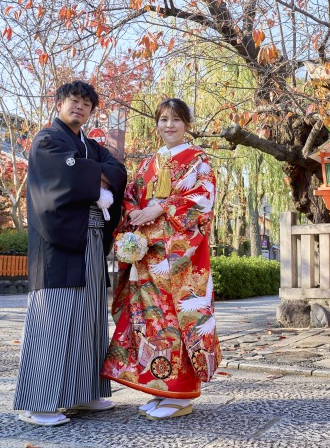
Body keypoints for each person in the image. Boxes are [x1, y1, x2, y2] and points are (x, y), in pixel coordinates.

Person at [13, 80, 127, 426]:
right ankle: (40, 403)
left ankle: (86, 393)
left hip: (90, 240)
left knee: (89, 319)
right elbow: (68, 175)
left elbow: (118, 171)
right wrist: (97, 177)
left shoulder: (90, 146)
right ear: (59, 103)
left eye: (86, 104)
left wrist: (94, 175)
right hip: (57, 244)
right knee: (54, 318)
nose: (79, 107)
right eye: (73, 101)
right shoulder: (46, 141)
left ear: (92, 111)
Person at [102, 98, 220, 421]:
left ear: (187, 125)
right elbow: (129, 199)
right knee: (151, 322)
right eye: (164, 119)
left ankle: (181, 393)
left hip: (179, 258)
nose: (169, 125)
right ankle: (159, 388)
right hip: (148, 256)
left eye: (176, 120)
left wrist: (162, 207)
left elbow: (201, 201)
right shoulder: (147, 164)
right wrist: (134, 217)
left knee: (176, 320)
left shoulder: (198, 161)